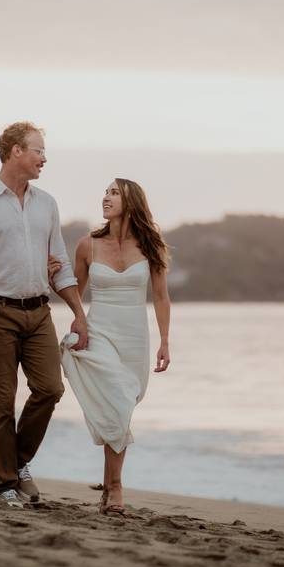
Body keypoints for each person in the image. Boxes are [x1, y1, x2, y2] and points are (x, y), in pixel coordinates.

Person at [0, 121, 88, 508]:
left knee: (51, 389)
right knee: (1, 400)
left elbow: (59, 263)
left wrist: (79, 313)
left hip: (39, 311)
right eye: (38, 150)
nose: (45, 157)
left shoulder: (47, 203)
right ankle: (6, 484)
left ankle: (18, 461)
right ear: (14, 151)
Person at [58, 178, 171, 515]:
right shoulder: (87, 245)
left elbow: (162, 297)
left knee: (119, 409)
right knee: (117, 403)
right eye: (104, 192)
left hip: (135, 337)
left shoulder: (151, 247)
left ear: (131, 200)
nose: (105, 197)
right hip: (100, 331)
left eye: (114, 192)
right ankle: (118, 489)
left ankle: (107, 488)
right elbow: (74, 291)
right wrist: (57, 282)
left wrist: (165, 341)